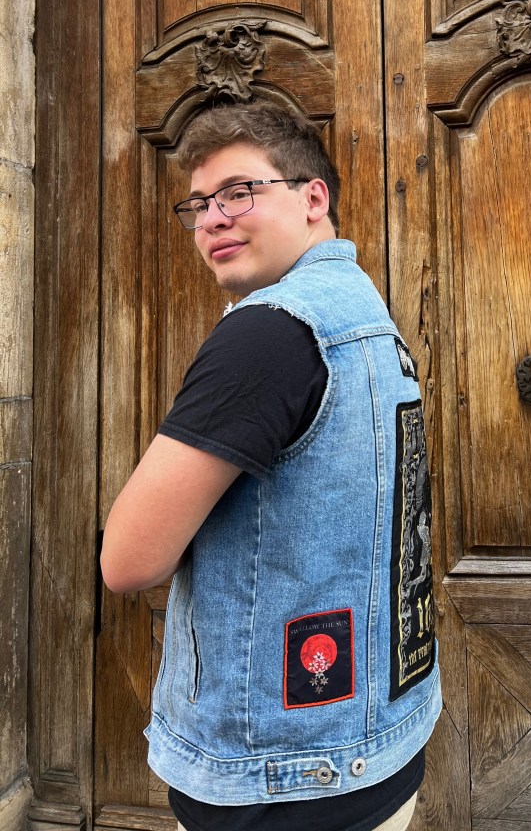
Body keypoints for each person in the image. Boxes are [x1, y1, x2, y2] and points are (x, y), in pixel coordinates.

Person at [100, 101, 441, 831]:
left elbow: (128, 560)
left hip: (280, 777)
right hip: (383, 744)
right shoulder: (368, 317)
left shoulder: (268, 333)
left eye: (238, 192)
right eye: (197, 204)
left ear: (313, 197)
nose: (210, 220)